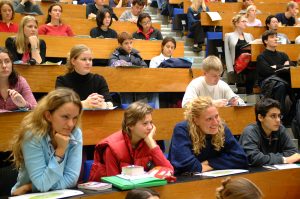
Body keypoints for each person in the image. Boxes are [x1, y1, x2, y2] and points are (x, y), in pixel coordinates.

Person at [10, 88, 83, 195]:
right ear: (48, 115)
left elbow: (71, 179)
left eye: (75, 118)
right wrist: (60, 151)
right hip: (26, 195)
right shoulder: (32, 135)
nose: (71, 124)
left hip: (57, 194)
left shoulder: (76, 133)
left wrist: (30, 186)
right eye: (65, 117)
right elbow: (42, 184)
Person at [89, 101, 174, 181]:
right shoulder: (112, 148)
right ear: (130, 125)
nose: (150, 127)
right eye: (145, 123)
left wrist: (152, 144)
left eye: (151, 122)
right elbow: (114, 183)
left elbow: (169, 171)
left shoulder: (148, 141)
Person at [168, 96, 248, 175]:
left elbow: (241, 159)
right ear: (196, 120)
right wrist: (221, 163)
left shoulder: (221, 127)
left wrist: (209, 163)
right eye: (209, 119)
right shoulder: (182, 129)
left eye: (216, 116)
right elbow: (186, 165)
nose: (216, 123)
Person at [239, 98, 300, 166]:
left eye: (279, 116)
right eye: (273, 116)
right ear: (260, 117)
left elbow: (293, 153)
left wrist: (266, 158)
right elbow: (253, 158)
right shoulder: (250, 131)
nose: (278, 120)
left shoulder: (280, 129)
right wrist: (283, 159)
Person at [56, 44, 113, 109]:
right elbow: (60, 105)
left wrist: (102, 105)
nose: (88, 62)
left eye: (90, 59)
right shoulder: (62, 80)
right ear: (73, 61)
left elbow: (110, 103)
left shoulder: (99, 79)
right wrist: (84, 104)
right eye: (84, 59)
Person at [256, 30, 295, 123]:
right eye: (272, 37)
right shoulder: (261, 56)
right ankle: (279, 117)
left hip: (282, 80)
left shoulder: (283, 54)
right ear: (265, 41)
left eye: (276, 37)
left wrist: (277, 67)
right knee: (280, 86)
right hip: (268, 82)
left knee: (294, 87)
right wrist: (283, 67)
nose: (275, 39)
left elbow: (292, 66)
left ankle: (291, 118)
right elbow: (267, 72)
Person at [224, 14, 254, 94]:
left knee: (253, 71)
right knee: (250, 73)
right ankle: (248, 94)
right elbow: (227, 53)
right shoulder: (228, 36)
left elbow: (254, 50)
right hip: (237, 64)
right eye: (243, 21)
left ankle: (249, 95)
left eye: (246, 21)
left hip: (249, 63)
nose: (245, 23)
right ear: (237, 23)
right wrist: (230, 68)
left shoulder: (249, 36)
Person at [0, 47, 36, 112]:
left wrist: (24, 104)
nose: (4, 66)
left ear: (12, 64)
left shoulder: (20, 81)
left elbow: (36, 108)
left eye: (7, 61)